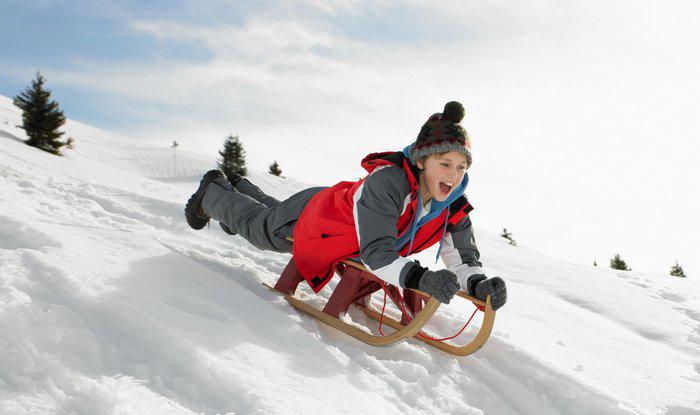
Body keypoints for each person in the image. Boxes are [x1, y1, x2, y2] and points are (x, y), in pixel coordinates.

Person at [185, 101, 506, 309]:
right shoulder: (389, 183)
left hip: (343, 224)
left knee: (270, 215)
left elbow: (462, 257)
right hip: (318, 218)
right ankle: (212, 193)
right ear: (421, 161)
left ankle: (240, 187)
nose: (453, 175)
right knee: (261, 229)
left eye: (461, 167)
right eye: (445, 163)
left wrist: (479, 285)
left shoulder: (452, 205)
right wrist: (421, 279)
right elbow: (378, 254)